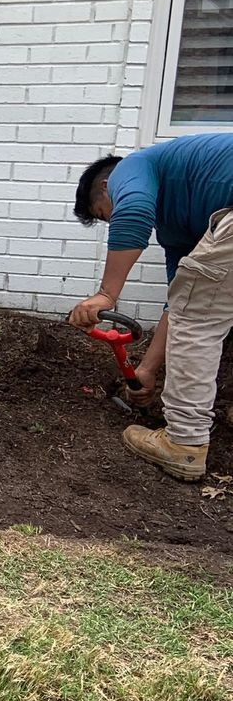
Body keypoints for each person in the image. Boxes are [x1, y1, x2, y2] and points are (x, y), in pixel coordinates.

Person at [69, 132, 233, 481]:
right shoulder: (181, 227)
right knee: (196, 307)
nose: (115, 219)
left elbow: (134, 211)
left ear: (107, 185)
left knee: (200, 325)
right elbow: (181, 301)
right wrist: (147, 369)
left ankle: (184, 445)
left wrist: (106, 295)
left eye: (105, 213)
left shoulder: (134, 166)